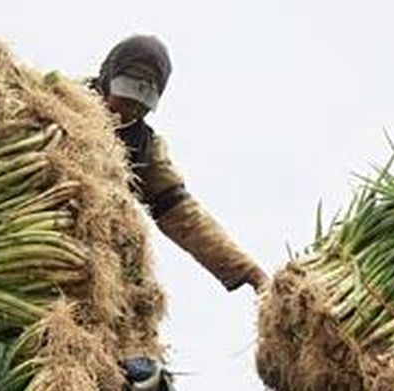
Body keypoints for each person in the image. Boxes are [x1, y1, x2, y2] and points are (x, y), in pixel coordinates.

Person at [94, 35, 267, 293]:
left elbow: (182, 214)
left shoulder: (145, 149)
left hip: (92, 257)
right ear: (107, 80)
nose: (130, 111)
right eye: (126, 99)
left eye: (141, 107)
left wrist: (249, 272)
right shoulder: (59, 102)